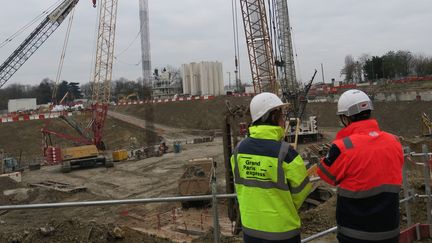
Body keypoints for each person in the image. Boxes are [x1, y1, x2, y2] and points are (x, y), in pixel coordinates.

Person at [317, 89, 404, 243]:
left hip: (354, 232)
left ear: (345, 118)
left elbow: (326, 175)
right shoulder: (393, 141)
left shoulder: (342, 146)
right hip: (390, 229)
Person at [231, 92, 311, 243]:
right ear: (273, 116)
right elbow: (301, 192)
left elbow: (241, 187)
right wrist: (282, 205)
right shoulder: (286, 152)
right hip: (282, 232)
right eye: (281, 115)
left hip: (251, 231)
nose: (283, 119)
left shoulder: (238, 150)